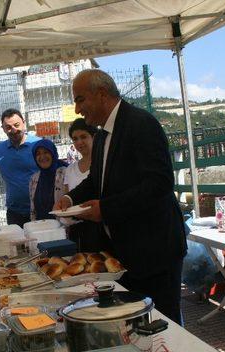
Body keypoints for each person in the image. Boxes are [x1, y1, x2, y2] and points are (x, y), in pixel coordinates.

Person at [54, 69, 187, 324]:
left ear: (102, 94)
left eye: (80, 99)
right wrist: (70, 199)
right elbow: (97, 181)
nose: (78, 109)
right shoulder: (104, 134)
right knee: (134, 326)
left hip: (154, 253)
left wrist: (106, 209)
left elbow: (159, 184)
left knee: (163, 327)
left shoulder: (141, 124)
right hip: (125, 255)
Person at [63, 118, 103, 252]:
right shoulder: (69, 170)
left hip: (101, 228)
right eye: (75, 139)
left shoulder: (103, 164)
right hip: (78, 232)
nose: (79, 142)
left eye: (83, 137)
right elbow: (68, 200)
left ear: (94, 137)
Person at [28, 139, 67, 221]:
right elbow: (33, 210)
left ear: (53, 153)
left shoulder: (65, 173)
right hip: (41, 229)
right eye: (38, 154)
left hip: (62, 229)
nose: (42, 157)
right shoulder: (34, 179)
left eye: (46, 152)